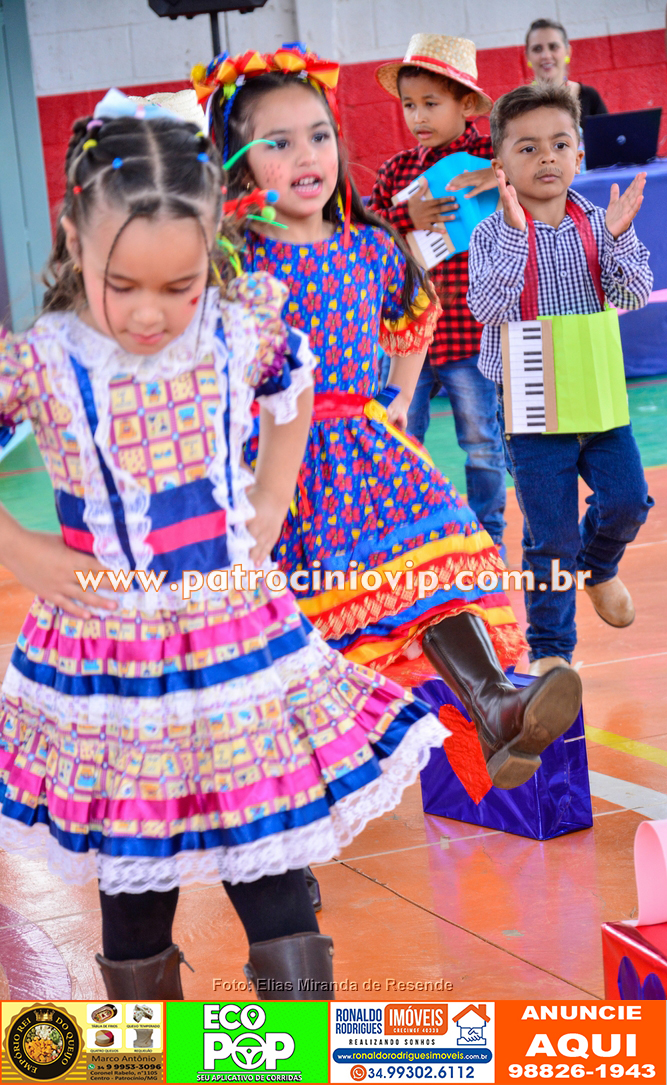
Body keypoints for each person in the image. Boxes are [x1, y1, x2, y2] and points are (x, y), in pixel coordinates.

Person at [0, 89, 453, 1000]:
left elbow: (292, 391)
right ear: (76, 240)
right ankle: (149, 1053)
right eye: (123, 285)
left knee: (269, 859)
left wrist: (270, 501)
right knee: (136, 883)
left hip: (233, 638)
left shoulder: (238, 324)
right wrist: (25, 552)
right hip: (112, 658)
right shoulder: (41, 357)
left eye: (179, 285)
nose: (150, 314)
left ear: (211, 249)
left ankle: (297, 1049)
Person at [197, 45, 583, 800]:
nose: (307, 156)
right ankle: (274, 804)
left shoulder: (370, 244)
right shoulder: (231, 260)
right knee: (292, 634)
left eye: (319, 135)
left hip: (365, 445)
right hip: (272, 463)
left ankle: (496, 706)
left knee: (440, 564)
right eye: (278, 143)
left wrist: (400, 397)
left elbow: (414, 313)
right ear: (236, 166)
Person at [467, 82, 653, 675]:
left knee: (628, 501)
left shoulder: (599, 223)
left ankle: (596, 567)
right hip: (530, 405)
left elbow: (633, 293)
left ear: (579, 153)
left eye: (559, 144)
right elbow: (487, 308)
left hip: (597, 397)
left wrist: (619, 238)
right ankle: (552, 652)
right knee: (549, 537)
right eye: (527, 148)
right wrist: (515, 239)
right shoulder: (489, 234)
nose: (546, 157)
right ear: (500, 163)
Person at [369, 34, 506, 549]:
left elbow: (547, 169)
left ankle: (488, 539)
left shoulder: (495, 154)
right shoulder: (396, 171)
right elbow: (366, 236)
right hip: (406, 336)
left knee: (482, 443)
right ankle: (403, 539)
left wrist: (495, 173)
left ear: (466, 104)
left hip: (471, 332)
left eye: (431, 103)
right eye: (409, 105)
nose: (418, 116)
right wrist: (404, 214)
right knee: (399, 437)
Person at [525, 18, 607, 123]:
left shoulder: (590, 97)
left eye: (553, 47)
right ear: (527, 57)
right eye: (537, 49)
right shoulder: (517, 104)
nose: (546, 55)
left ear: (568, 52)